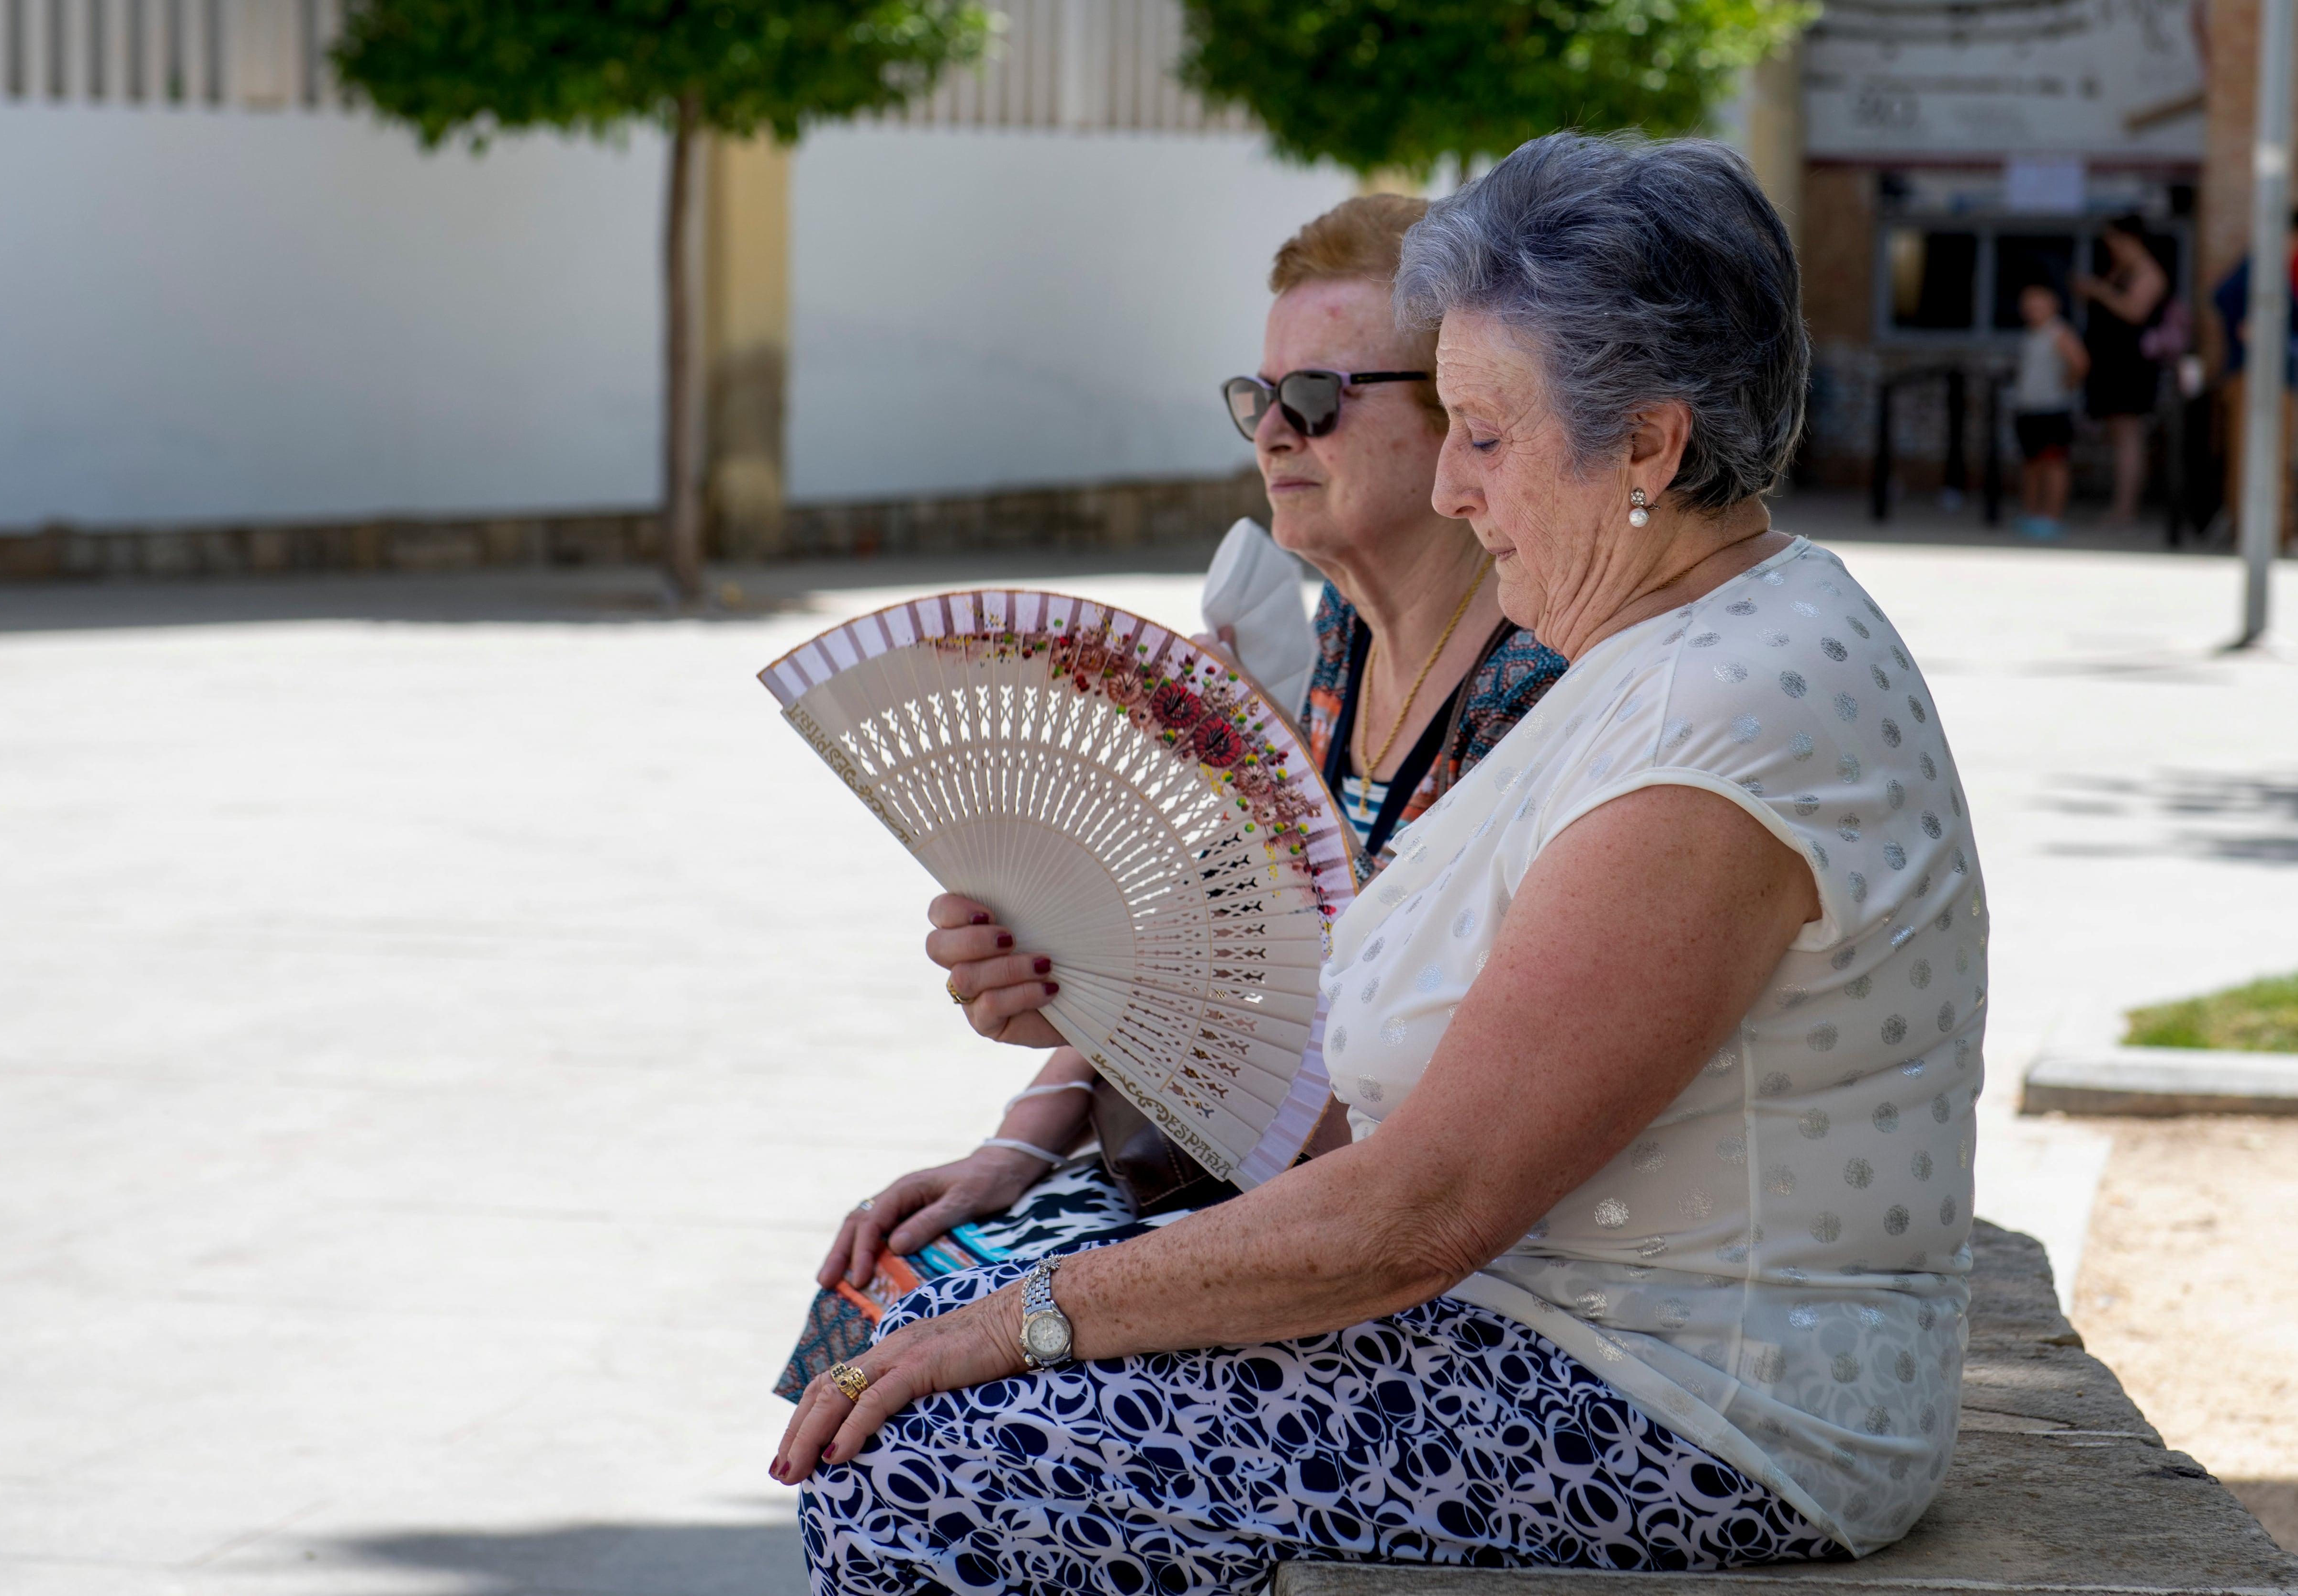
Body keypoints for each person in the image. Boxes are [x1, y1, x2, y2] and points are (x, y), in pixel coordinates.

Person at [776, 134, 1987, 1591]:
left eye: (1485, 434)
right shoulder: (1670, 646)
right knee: (902, 1355)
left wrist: (1030, 1313)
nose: (1461, 494)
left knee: (925, 1466)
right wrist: (1085, 1042)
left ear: (1650, 449)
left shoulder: (1708, 723)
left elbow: (1426, 1204)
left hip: (1689, 1407)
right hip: (1560, 1333)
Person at [780, 194, 1568, 1390]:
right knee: (874, 1288)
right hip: (1245, 1170)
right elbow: (1218, 952)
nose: (1274, 435)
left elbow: (1421, 1130)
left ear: (1458, 409)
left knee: (929, 1375)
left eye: (1317, 397)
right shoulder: (1329, 652)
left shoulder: (1534, 689)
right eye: (1257, 399)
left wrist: (1153, 1038)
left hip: (1390, 1234)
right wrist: (1021, 1130)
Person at [2073, 215, 2170, 521]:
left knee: (2130, 435)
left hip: (2131, 365)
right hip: (2110, 361)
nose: (2110, 245)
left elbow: (2134, 311)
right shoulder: (2120, 269)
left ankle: (2125, 507)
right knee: (2118, 435)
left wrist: (2100, 291)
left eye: (2115, 239)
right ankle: (2120, 503)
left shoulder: (2148, 272)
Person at [2209, 229, 2298, 551]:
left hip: (2282, 377)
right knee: (2253, 454)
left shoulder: (2284, 265)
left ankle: (2277, 533)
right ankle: (2255, 533)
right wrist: (2245, 322)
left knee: (2279, 454)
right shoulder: (2262, 262)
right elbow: (2222, 296)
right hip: (2255, 375)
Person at [2012, 281, 2087, 539]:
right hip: (2029, 410)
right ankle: (2033, 514)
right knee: (2031, 465)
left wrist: (2067, 384)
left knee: (2053, 464)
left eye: (2038, 302)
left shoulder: (2059, 332)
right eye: (2028, 303)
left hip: (2052, 410)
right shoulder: (2032, 333)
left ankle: (2052, 517)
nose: (2033, 308)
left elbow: (2080, 363)